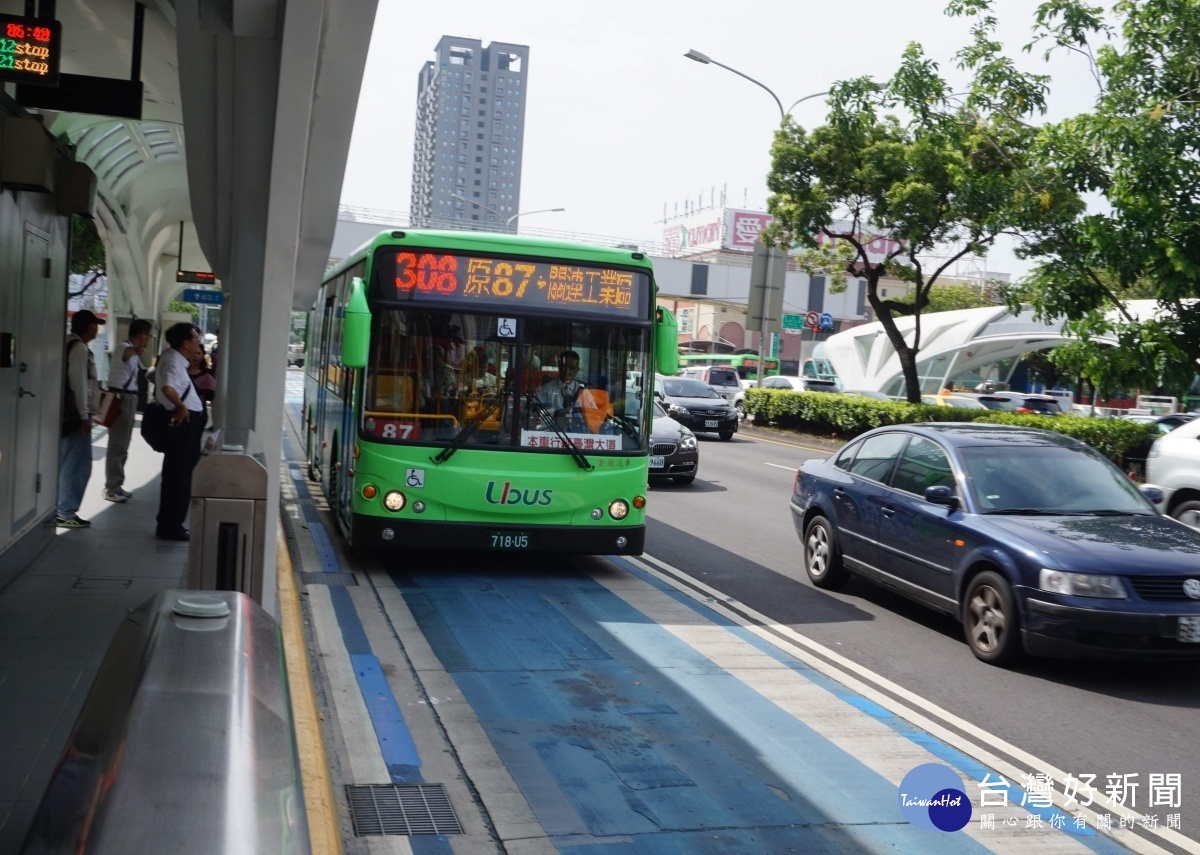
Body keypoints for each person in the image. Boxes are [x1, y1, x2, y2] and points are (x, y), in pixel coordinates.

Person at [154, 323, 207, 541]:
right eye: (195, 339)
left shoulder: (172, 357)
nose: (198, 343)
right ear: (186, 343)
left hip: (187, 424)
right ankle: (171, 526)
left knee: (177, 474)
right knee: (180, 476)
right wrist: (182, 406)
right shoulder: (173, 361)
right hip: (184, 425)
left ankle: (170, 523)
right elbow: (168, 388)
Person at [57, 310, 106, 528]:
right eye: (96, 325)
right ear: (91, 328)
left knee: (67, 461)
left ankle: (61, 508)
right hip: (74, 416)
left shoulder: (66, 343)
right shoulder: (80, 348)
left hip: (63, 413)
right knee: (77, 464)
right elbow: (79, 385)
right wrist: (84, 416)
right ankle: (65, 511)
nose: (97, 328)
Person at [102, 319, 153, 503]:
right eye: (148, 335)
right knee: (118, 445)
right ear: (142, 335)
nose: (149, 339)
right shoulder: (124, 348)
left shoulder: (131, 350)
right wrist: (135, 350)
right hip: (121, 399)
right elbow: (125, 354)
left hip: (128, 398)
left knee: (122, 445)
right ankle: (111, 488)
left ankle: (116, 485)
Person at [536, 350, 587, 426]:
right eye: (564, 366)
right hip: (551, 433)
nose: (567, 371)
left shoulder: (584, 393)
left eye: (572, 367)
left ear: (577, 370)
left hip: (576, 435)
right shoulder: (546, 390)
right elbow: (536, 414)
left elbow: (593, 419)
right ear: (559, 367)